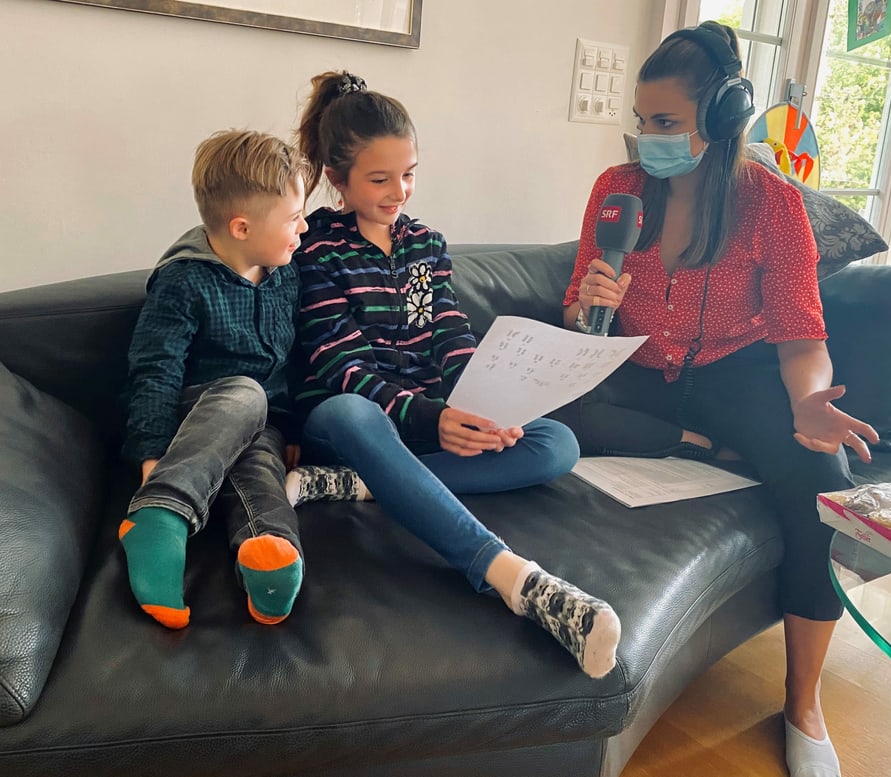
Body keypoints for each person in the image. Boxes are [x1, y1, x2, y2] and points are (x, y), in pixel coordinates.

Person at [555, 22, 879, 775]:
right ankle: (711, 454)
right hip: (637, 370)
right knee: (554, 414)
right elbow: (578, 313)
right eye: (642, 122)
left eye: (665, 123)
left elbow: (802, 336)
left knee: (821, 485)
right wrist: (588, 305)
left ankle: (802, 703)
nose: (648, 140)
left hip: (737, 373)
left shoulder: (772, 204)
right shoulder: (617, 190)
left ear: (723, 118)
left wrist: (805, 405)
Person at [288, 70, 621, 679]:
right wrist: (433, 418)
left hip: (425, 419)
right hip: (353, 420)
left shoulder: (426, 245)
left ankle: (357, 485)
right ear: (338, 179)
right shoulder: (313, 249)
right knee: (348, 412)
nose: (400, 192)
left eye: (409, 173)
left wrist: (485, 399)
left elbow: (447, 332)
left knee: (556, 444)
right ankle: (515, 579)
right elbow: (340, 363)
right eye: (380, 179)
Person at [120, 129, 313, 629]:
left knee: (262, 472)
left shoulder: (284, 272)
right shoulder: (184, 280)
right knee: (246, 394)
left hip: (260, 423)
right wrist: (151, 459)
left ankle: (268, 552)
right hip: (198, 413)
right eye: (293, 218)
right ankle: (159, 511)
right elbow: (155, 370)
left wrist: (289, 427)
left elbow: (290, 360)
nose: (304, 227)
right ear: (242, 227)